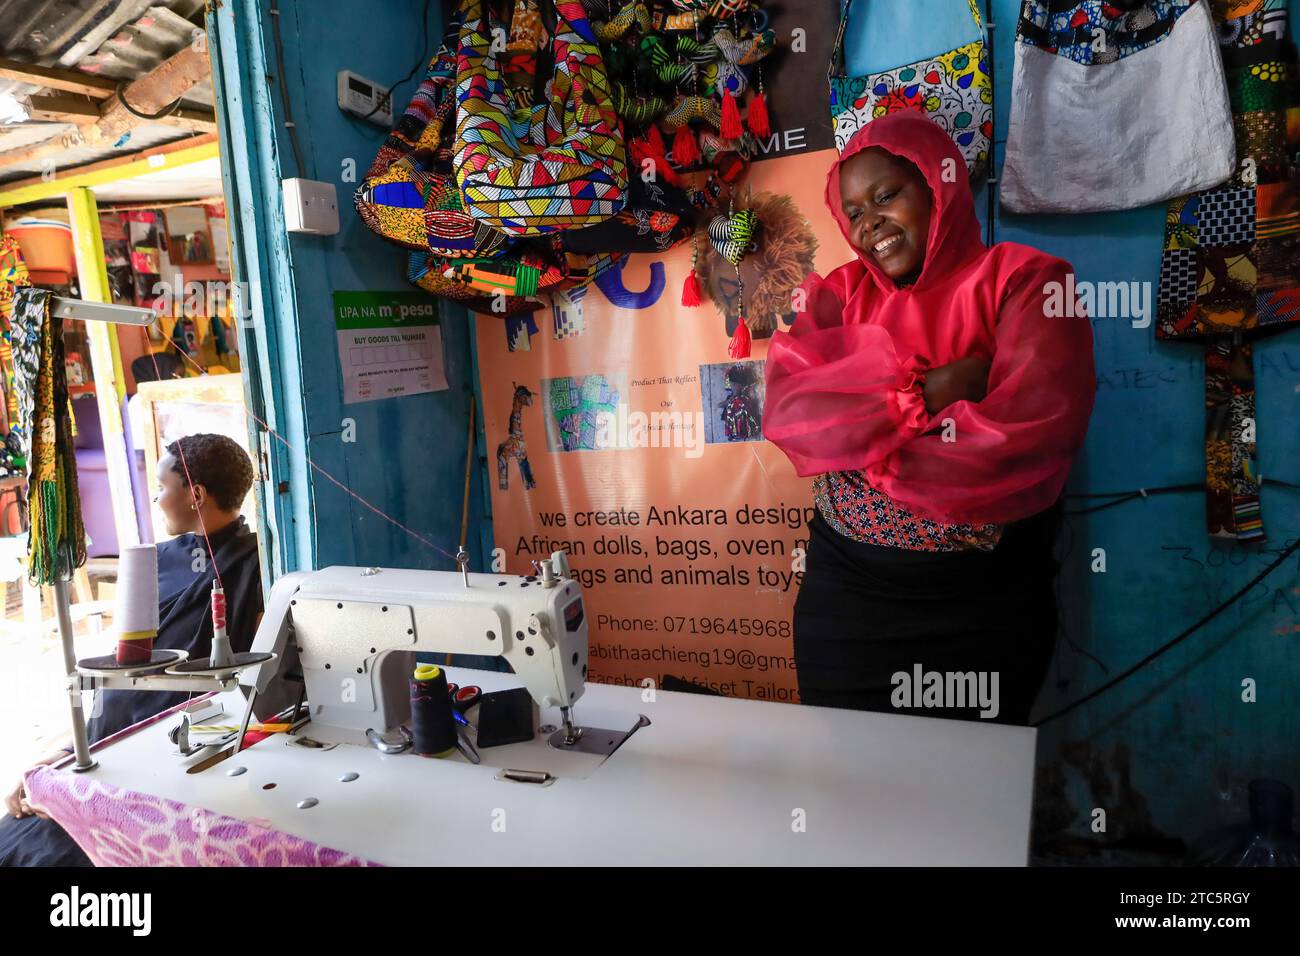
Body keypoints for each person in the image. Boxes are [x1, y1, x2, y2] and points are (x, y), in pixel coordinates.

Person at [762, 111, 1095, 725]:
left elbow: (1019, 443)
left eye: (886, 195)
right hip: (849, 606)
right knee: (850, 785)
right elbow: (794, 413)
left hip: (983, 612)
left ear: (939, 186)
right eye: (855, 212)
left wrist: (864, 448)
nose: (870, 226)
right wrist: (930, 391)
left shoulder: (1027, 282)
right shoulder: (838, 294)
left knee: (968, 800)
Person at [0, 433, 263, 865]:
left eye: (162, 488)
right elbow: (125, 685)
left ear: (195, 495)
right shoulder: (153, 563)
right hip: (107, 744)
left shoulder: (253, 569)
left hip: (166, 763)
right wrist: (66, 753)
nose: (158, 500)